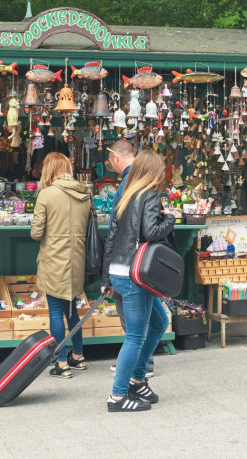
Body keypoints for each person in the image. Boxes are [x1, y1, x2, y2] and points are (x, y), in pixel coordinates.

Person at [101, 149, 174, 412]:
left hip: (120, 273)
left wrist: (105, 277)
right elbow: (152, 232)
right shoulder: (151, 197)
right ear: (155, 171)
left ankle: (136, 378)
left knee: (159, 322)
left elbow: (111, 239)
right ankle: (118, 397)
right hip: (135, 276)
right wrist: (170, 218)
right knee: (134, 336)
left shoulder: (126, 196)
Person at [30, 152, 91, 379]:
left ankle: (62, 362)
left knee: (56, 310)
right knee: (72, 309)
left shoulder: (47, 194)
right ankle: (78, 355)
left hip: (55, 259)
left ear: (49, 169)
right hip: (77, 258)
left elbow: (36, 233)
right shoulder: (85, 194)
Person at [107, 140, 155, 378]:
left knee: (135, 332)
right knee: (152, 323)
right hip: (135, 266)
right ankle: (138, 371)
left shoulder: (131, 182)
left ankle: (129, 380)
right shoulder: (141, 184)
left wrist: (108, 272)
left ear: (115, 158)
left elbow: (117, 230)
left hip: (128, 266)